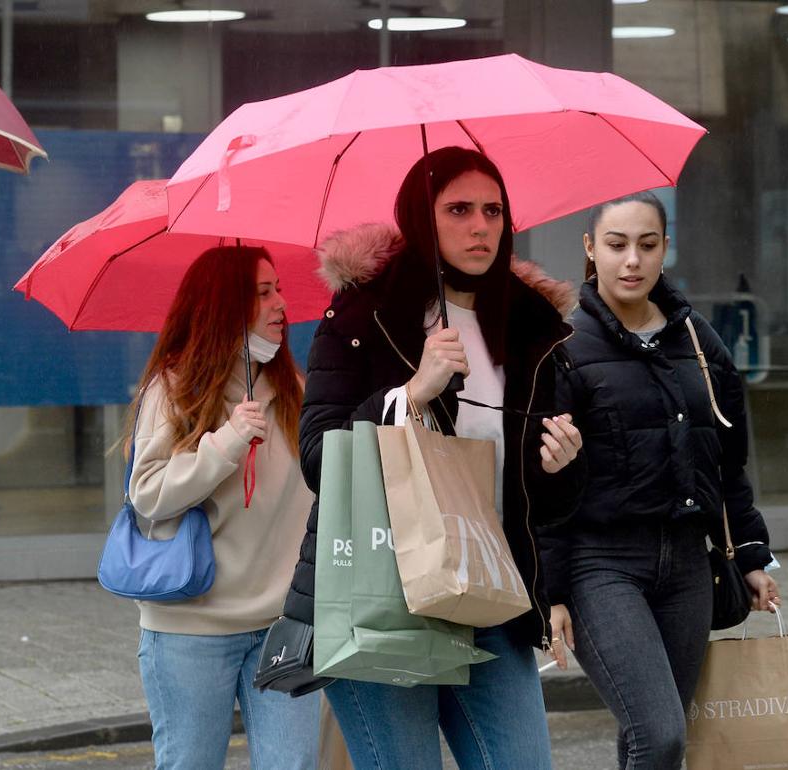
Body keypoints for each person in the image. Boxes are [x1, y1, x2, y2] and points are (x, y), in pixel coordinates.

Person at [280, 146, 586, 769]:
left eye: (493, 210)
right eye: (458, 209)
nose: (480, 226)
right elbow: (319, 458)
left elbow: (528, 498)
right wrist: (409, 394)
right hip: (383, 591)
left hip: (489, 589)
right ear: (423, 219)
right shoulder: (364, 317)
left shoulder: (530, 326)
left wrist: (560, 467)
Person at [540, 191, 780, 769]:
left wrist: (751, 554)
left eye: (647, 246)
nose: (632, 261)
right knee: (660, 732)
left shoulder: (699, 342)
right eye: (617, 245)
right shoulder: (565, 348)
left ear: (665, 250)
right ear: (590, 248)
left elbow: (727, 463)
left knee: (653, 735)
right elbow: (542, 488)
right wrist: (549, 593)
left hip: (688, 565)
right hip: (602, 565)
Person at [127, 245, 320, 769]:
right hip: (192, 628)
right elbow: (148, 496)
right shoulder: (172, 389)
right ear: (221, 306)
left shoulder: (293, 389)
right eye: (263, 292)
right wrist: (227, 441)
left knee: (296, 764)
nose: (281, 303)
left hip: (286, 626)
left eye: (279, 289)